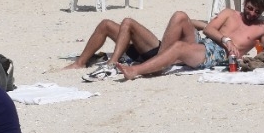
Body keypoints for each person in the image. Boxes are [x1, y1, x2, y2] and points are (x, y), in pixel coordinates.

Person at [114, 0, 264, 80]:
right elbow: (209, 29)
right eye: (250, 8)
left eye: (257, 12)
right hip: (207, 43)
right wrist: (226, 39)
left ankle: (135, 70)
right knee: (180, 15)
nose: (252, 14)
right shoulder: (229, 13)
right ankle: (158, 64)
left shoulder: (263, 28)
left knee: (179, 47)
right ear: (245, 3)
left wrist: (248, 57)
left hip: (219, 54)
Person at [64, 13, 200, 78]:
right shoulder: (195, 24)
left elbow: (205, 28)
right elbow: (199, 24)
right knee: (106, 24)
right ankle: (80, 63)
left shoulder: (202, 42)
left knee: (128, 22)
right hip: (151, 50)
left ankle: (111, 64)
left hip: (159, 55)